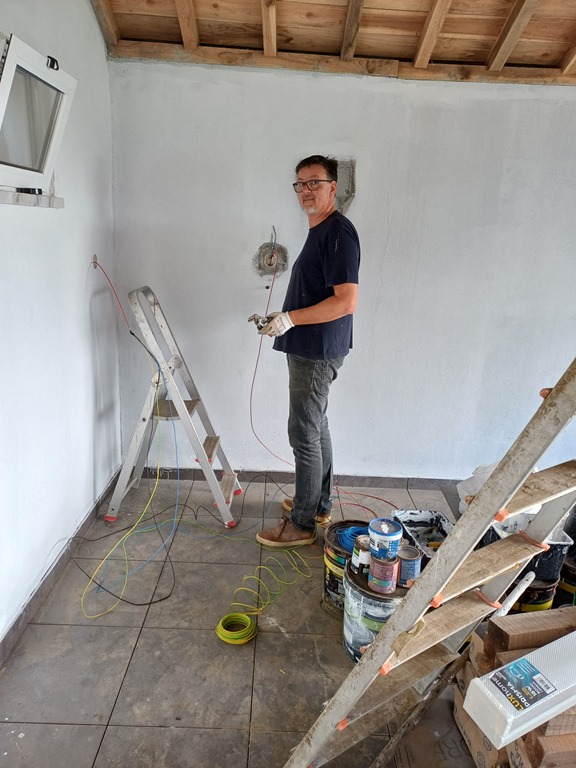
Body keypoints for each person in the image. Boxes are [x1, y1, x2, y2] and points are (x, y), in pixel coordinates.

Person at [253, 155, 361, 547]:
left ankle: (301, 524)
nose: (306, 190)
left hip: (317, 352)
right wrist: (284, 318)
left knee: (303, 432)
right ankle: (317, 504)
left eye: (315, 182)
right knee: (316, 426)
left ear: (334, 186)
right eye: (300, 184)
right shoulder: (321, 230)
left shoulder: (338, 233)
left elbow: (346, 302)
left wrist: (291, 319)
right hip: (312, 347)